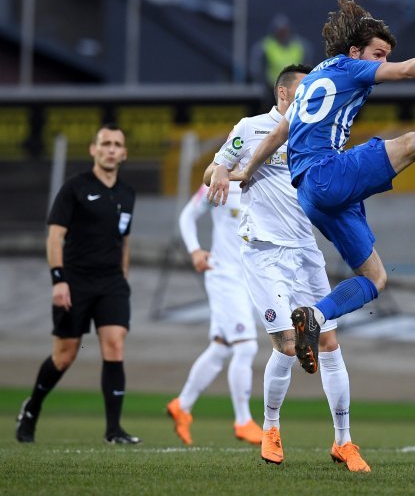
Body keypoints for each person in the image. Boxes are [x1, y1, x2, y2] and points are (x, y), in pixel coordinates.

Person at [209, 0, 415, 376]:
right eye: (378, 54)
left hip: (311, 195)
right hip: (327, 174)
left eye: (386, 55)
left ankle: (314, 316)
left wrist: (245, 171)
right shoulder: (351, 68)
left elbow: (279, 133)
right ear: (355, 51)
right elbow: (407, 72)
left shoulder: (316, 77)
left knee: (375, 278)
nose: (382, 64)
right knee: (409, 144)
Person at [205, 64, 370, 472]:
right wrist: (222, 172)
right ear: (282, 95)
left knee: (330, 343)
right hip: (263, 252)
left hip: (305, 252)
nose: (311, 103)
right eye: (303, 95)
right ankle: (271, 428)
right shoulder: (252, 127)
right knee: (287, 345)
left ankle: (344, 443)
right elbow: (213, 169)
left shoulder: (315, 134)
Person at [15, 125, 139, 444]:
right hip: (76, 282)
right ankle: (32, 409)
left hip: (111, 283)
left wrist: (122, 278)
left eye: (117, 145)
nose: (111, 149)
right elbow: (55, 236)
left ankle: (114, 431)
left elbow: (123, 240)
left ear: (124, 153)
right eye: (105, 144)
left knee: (114, 344)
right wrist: (59, 280)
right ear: (93, 150)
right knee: (64, 356)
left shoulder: (127, 194)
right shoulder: (75, 188)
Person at [165, 180, 262, 446]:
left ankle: (182, 405)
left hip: (250, 278)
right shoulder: (222, 181)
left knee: (221, 348)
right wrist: (195, 250)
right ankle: (243, 420)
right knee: (246, 347)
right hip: (224, 276)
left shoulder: (268, 179)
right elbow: (188, 215)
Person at [251, 13, 310, 88]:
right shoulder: (267, 45)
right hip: (272, 87)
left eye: (284, 30)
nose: (282, 34)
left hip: (296, 87)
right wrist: (260, 81)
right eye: (280, 31)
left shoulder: (300, 45)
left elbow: (308, 64)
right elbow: (256, 65)